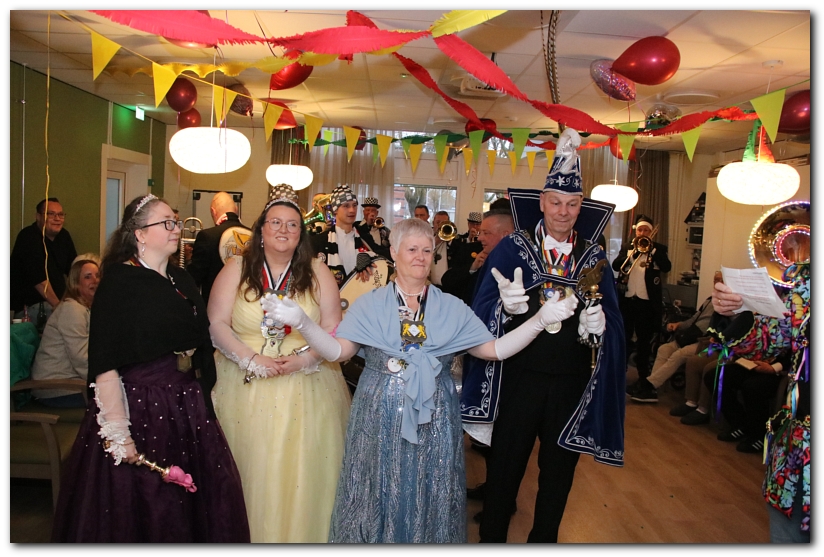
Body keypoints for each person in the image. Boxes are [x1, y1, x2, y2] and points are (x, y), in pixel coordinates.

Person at [262, 217, 578, 543]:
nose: (420, 257)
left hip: (435, 418)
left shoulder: (451, 306)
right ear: (394, 253)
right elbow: (338, 352)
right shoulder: (370, 303)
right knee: (377, 490)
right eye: (412, 249)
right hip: (377, 416)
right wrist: (303, 322)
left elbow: (495, 350)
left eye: (427, 250)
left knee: (429, 489)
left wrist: (539, 321)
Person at [51, 194, 250, 543]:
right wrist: (118, 431)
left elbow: (200, 340)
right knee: (148, 505)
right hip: (141, 408)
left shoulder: (180, 278)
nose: (176, 229)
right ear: (140, 233)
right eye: (167, 223)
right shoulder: (119, 282)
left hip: (186, 404)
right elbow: (105, 361)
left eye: (176, 222)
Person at [461, 128, 626, 543]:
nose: (563, 212)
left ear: (580, 206)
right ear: (542, 202)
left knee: (559, 475)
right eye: (556, 202)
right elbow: (480, 310)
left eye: (572, 204)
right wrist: (507, 309)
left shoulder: (594, 256)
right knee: (504, 469)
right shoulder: (512, 248)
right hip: (519, 379)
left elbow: (613, 323)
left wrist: (598, 330)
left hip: (571, 383)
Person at [207, 184, 351, 543]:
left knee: (303, 472)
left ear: (301, 233)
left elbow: (334, 327)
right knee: (253, 467)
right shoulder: (236, 268)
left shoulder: (317, 271)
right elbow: (217, 324)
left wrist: (307, 359)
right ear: (261, 229)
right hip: (245, 381)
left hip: (308, 382)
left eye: (292, 224)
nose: (283, 230)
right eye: (275, 222)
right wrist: (251, 359)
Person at [712, 264, 810, 542]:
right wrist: (736, 312)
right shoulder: (806, 278)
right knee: (785, 534)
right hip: (797, 449)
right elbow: (770, 338)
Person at [29, 254, 100, 408]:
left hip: (72, 383)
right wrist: (106, 381)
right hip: (57, 388)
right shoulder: (72, 309)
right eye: (88, 277)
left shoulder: (85, 309)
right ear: (76, 283)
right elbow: (81, 359)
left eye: (98, 275)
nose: (95, 280)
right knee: (123, 399)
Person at [612, 214, 672, 380]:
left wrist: (652, 251)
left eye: (646, 230)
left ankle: (643, 375)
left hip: (646, 303)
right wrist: (631, 255)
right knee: (624, 337)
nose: (642, 233)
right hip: (628, 300)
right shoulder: (628, 246)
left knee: (644, 341)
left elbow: (667, 267)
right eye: (640, 230)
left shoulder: (659, 248)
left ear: (651, 232)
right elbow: (616, 266)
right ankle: (620, 371)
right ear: (636, 231)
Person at [627, 295, 716, 402]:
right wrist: (678, 324)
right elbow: (693, 320)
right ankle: (653, 389)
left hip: (704, 342)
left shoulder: (727, 307)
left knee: (679, 354)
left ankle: (648, 385)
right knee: (664, 349)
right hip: (690, 336)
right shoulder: (709, 300)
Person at [10, 197, 77, 328]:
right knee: (73, 320)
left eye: (60, 214)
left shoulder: (64, 236)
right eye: (51, 214)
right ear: (38, 217)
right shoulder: (28, 237)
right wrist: (60, 308)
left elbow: (74, 271)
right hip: (31, 308)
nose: (57, 218)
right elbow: (40, 282)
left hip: (56, 304)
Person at [311, 184, 389, 287]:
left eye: (354, 205)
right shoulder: (318, 241)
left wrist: (369, 256)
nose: (352, 210)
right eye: (346, 206)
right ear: (335, 210)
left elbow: (384, 256)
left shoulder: (364, 237)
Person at [186, 191, 251, 305]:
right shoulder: (253, 235)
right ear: (236, 209)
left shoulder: (207, 236)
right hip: (246, 304)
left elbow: (193, 278)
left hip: (214, 304)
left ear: (213, 211)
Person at [441, 211, 514, 306]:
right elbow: (446, 280)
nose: (479, 238)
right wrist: (472, 268)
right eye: (480, 232)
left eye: (486, 233)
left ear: (505, 235)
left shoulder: (517, 260)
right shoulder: (470, 249)